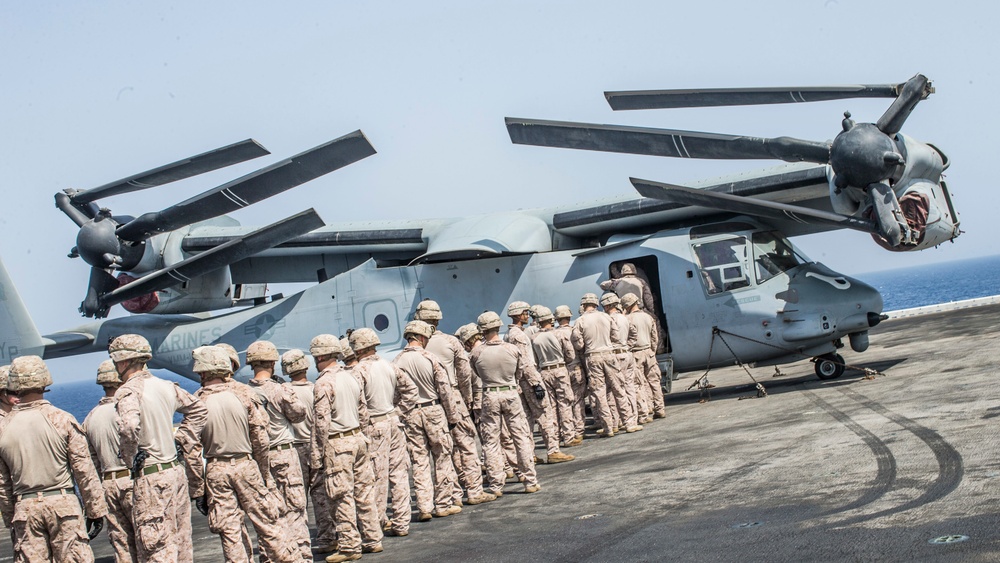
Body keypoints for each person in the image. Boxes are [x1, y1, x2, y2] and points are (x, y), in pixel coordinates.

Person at [191, 346, 298, 563]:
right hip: (246, 464)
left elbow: (190, 449)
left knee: (230, 531)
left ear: (202, 372)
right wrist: (263, 471)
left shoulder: (196, 402)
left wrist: (198, 488)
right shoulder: (244, 393)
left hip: (215, 470)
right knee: (268, 523)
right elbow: (260, 436)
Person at [0, 356, 108, 562]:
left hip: (25, 509)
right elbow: (83, 469)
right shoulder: (62, 419)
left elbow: (3, 484)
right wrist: (95, 509)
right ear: (44, 381)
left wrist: (10, 518)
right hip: (63, 505)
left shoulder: (4, 427)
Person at [109, 334, 206, 563]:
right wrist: (181, 439)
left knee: (156, 547)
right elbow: (198, 409)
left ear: (123, 361)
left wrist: (130, 457)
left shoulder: (128, 391)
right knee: (181, 543)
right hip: (175, 473)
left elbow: (130, 426)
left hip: (151, 477)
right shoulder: (166, 386)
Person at [313, 331, 384, 563]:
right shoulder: (351, 376)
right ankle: (373, 539)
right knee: (364, 492)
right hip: (358, 439)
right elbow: (363, 411)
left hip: (338, 443)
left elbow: (321, 424)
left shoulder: (323, 383)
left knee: (341, 496)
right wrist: (362, 435)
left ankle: (350, 546)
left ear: (318, 357)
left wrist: (317, 455)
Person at [416, 300, 495, 506]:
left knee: (442, 451)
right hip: (453, 395)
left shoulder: (415, 349)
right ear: (438, 318)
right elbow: (464, 374)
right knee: (466, 443)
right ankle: (474, 491)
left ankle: (453, 495)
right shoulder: (451, 342)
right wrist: (467, 400)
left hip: (429, 401)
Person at [344, 329, 417, 539]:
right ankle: (402, 522)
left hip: (375, 427)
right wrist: (399, 411)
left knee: (377, 477)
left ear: (357, 347)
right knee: (399, 473)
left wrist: (364, 422)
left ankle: (376, 523)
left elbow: (357, 403)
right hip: (394, 423)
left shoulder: (358, 371)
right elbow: (410, 391)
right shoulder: (389, 366)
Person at [246, 340, 311, 560]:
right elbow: (299, 414)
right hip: (284, 452)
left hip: (258, 458)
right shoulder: (279, 389)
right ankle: (301, 555)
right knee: (294, 508)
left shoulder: (244, 393)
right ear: (273, 363)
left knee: (268, 512)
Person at [392, 320, 462, 521]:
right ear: (422, 337)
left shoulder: (396, 362)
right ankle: (443, 503)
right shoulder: (430, 358)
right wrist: (452, 416)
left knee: (419, 460)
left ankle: (424, 506)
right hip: (433, 409)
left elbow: (396, 394)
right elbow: (445, 389)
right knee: (442, 456)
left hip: (411, 414)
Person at [469, 311, 541, 495]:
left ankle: (495, 485)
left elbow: (476, 372)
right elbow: (520, 372)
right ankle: (530, 480)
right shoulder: (512, 349)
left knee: (491, 441)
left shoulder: (476, 352)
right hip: (510, 392)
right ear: (499, 326)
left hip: (489, 394)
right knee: (520, 437)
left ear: (481, 329)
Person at [83, 360, 137, 563]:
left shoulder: (90, 418)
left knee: (121, 543)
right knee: (149, 539)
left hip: (107, 483)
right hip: (132, 480)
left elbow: (91, 463)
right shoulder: (127, 410)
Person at [505, 301, 566, 463]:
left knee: (527, 419)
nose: (527, 315)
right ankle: (553, 451)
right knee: (545, 414)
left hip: (519, 381)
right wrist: (535, 384)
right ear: (518, 315)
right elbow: (524, 362)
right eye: (525, 313)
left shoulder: (508, 335)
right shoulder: (518, 336)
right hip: (529, 380)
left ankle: (530, 454)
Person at [529, 306, 581, 452]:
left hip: (544, 371)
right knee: (565, 402)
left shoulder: (533, 338)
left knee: (551, 406)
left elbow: (533, 358)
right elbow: (570, 354)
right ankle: (569, 435)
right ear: (551, 319)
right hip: (560, 369)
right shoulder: (559, 334)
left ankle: (556, 436)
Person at [570, 294, 620, 437]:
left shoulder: (580, 320)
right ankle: (628, 422)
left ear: (583, 304)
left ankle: (608, 428)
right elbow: (616, 336)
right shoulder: (606, 317)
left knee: (599, 392)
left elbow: (578, 345)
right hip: (609, 354)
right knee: (617, 388)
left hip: (593, 357)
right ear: (596, 303)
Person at [601, 293, 642, 433]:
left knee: (614, 390)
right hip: (627, 353)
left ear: (607, 305)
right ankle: (633, 419)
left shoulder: (606, 320)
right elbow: (633, 333)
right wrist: (628, 346)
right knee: (630, 387)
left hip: (615, 356)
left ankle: (617, 422)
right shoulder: (624, 318)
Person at [623, 293, 667, 421]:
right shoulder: (648, 317)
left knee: (639, 384)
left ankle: (646, 410)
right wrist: (652, 350)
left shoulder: (627, 319)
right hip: (649, 352)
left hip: (636, 353)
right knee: (654, 382)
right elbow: (655, 337)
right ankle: (660, 408)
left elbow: (628, 338)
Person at [554, 305, 586, 441]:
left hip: (561, 370)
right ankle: (579, 429)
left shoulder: (553, 334)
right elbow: (581, 349)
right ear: (569, 316)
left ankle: (566, 430)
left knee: (563, 401)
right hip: (576, 367)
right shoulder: (574, 331)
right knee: (579, 399)